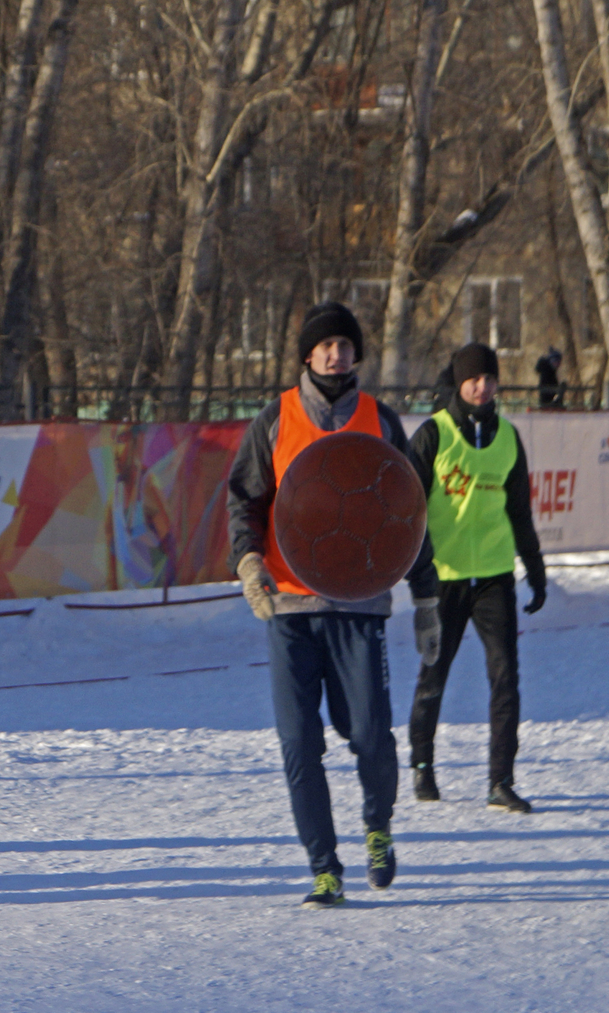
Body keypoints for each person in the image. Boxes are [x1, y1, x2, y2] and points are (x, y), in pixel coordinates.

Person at [228, 301, 442, 908]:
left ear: (356, 354)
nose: (335, 354)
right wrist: (248, 562)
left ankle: (378, 829)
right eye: (325, 345)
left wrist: (425, 598)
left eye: (346, 345)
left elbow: (409, 516)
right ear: (306, 354)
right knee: (299, 745)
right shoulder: (276, 418)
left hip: (359, 607)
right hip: (289, 609)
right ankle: (324, 868)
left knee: (372, 735)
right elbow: (243, 497)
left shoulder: (379, 420)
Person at [406, 343, 547, 813]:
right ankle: (423, 769)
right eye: (473, 379)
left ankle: (501, 781)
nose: (482, 387)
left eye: (489, 379)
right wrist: (416, 569)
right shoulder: (433, 435)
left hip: (492, 578)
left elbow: (520, 511)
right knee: (434, 674)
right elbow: (407, 508)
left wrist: (536, 568)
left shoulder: (508, 437)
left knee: (506, 677)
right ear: (459, 383)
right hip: (443, 578)